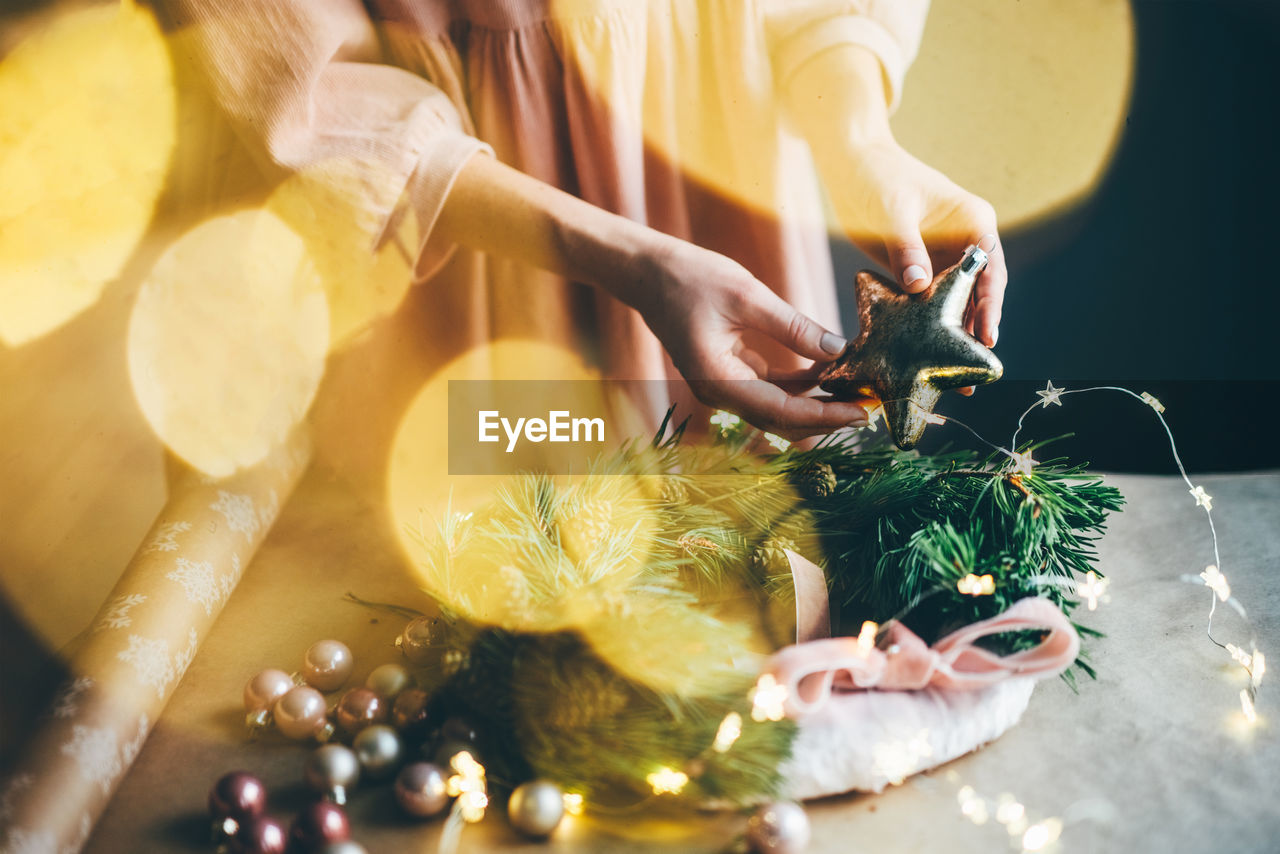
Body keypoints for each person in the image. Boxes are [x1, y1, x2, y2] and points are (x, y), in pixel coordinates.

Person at [163, 0, 1006, 442]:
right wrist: (627, 259)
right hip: (468, 247)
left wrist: (856, 138)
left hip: (723, 178)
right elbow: (311, 92)